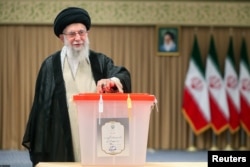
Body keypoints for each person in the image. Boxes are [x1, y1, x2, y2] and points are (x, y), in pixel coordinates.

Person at [22, 7, 131, 166]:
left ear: (87, 34)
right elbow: (41, 108)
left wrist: (111, 81)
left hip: (95, 130)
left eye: (82, 32)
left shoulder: (100, 61)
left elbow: (122, 74)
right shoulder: (50, 65)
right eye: (72, 34)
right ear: (62, 38)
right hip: (62, 132)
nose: (78, 38)